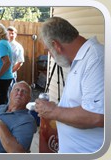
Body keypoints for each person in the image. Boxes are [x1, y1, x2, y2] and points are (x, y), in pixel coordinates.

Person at [35, 17, 104, 153]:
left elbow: (96, 116)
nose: (50, 55)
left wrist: (53, 111)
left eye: (48, 50)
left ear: (56, 45)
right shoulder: (80, 58)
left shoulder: (96, 59)